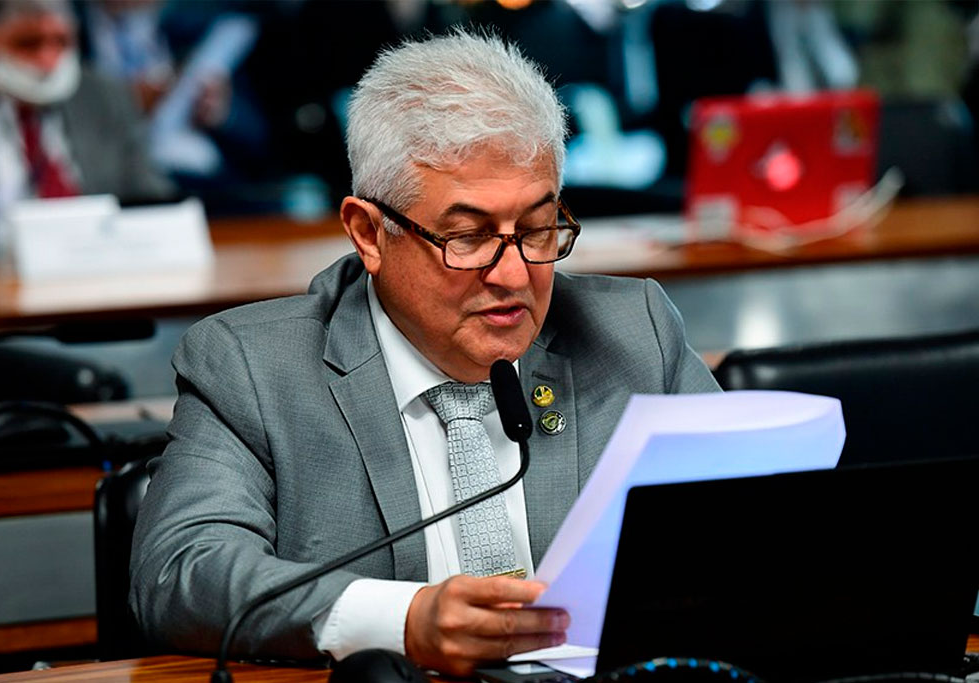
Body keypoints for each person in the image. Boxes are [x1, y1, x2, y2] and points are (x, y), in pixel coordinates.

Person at [130, 29, 720, 677]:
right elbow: (179, 572)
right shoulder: (254, 367)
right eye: (468, 237)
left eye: (536, 228)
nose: (513, 273)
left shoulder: (633, 333)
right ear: (368, 232)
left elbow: (754, 528)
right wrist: (404, 619)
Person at [0, 0, 173, 256]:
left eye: (61, 42)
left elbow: (150, 199)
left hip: (93, 267)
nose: (48, 62)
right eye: (28, 43)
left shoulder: (104, 96)